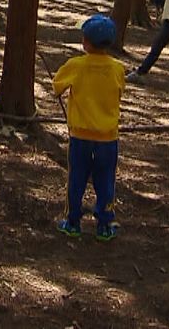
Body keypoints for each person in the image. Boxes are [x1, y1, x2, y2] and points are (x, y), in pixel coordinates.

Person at [53, 14, 125, 241]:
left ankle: (72, 222)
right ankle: (105, 224)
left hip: (80, 136)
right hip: (108, 138)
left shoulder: (76, 65)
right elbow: (119, 91)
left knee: (76, 179)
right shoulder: (117, 68)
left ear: (86, 42)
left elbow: (56, 87)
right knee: (106, 180)